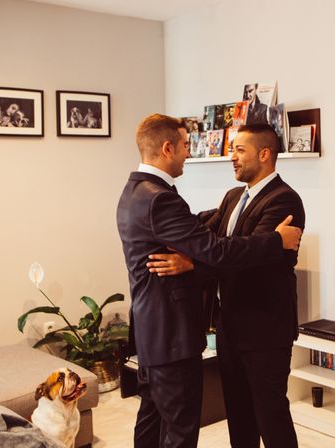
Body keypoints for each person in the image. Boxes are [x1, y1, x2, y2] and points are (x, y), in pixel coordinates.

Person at [116, 114, 302, 448]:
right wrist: (192, 256)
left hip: (264, 329)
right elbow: (211, 243)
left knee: (271, 415)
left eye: (239, 149)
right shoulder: (231, 196)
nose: (232, 155)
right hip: (228, 326)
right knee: (238, 415)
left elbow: (237, 260)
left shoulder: (285, 200)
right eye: (231, 148)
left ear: (264, 154)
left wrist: (190, 264)